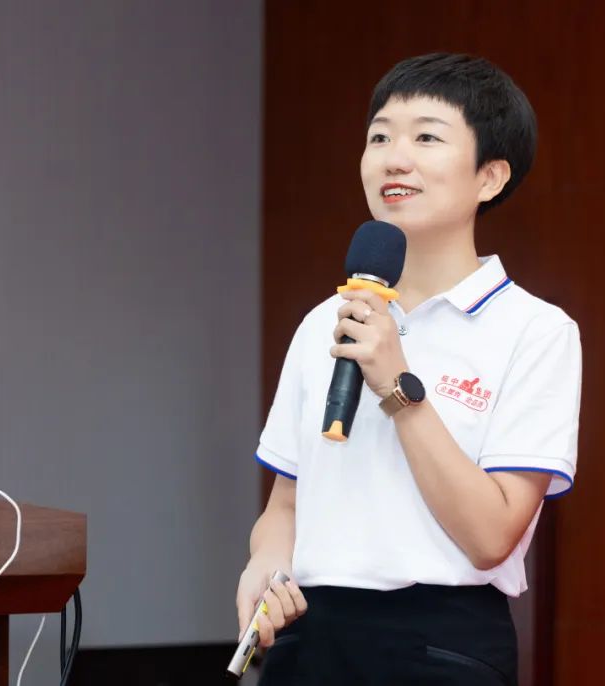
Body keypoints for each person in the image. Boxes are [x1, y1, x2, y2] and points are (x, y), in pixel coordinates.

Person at [236, 52, 582, 686]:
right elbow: (285, 503)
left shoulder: (536, 331)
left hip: (441, 646)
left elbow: (491, 537)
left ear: (490, 176)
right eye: (379, 138)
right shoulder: (325, 321)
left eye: (426, 137)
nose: (394, 159)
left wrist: (398, 385)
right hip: (309, 641)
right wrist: (266, 561)